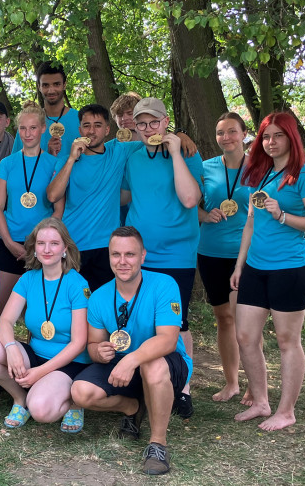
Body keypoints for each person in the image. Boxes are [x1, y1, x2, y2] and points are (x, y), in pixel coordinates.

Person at [230, 112, 305, 431]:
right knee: (245, 336)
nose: (271, 142)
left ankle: (286, 411)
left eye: (277, 136)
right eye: (266, 137)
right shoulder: (261, 175)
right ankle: (260, 402)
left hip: (290, 269)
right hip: (255, 268)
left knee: (287, 341)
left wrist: (282, 214)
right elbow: (250, 224)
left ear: (291, 138)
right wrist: (240, 266)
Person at [71, 227, 192, 476]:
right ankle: (133, 408)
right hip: (122, 368)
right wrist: (99, 352)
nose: (122, 261)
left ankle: (157, 444)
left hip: (166, 366)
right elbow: (93, 345)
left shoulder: (164, 284)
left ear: (143, 256)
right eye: (116, 254)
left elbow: (168, 340)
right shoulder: (98, 297)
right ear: (109, 256)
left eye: (130, 254)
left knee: (153, 365)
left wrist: (132, 360)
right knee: (80, 392)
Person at [121, 97, 203, 419]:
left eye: (153, 122)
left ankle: (183, 388)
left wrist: (176, 152)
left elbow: (188, 198)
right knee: (141, 319)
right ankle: (144, 380)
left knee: (178, 324)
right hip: (142, 254)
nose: (147, 129)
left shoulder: (187, 153)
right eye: (141, 123)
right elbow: (125, 195)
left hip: (178, 255)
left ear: (165, 121)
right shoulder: (133, 156)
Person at [0, 218, 90, 432]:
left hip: (68, 362)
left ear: (65, 248)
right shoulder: (28, 279)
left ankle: (74, 402)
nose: (47, 249)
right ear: (33, 248)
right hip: (35, 355)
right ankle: (20, 399)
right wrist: (11, 349)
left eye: (54, 243)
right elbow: (6, 321)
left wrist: (40, 373)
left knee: (42, 411)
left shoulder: (77, 284)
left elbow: (79, 343)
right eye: (41, 243)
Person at [47, 104, 142, 292]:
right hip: (73, 245)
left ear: (107, 129)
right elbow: (52, 195)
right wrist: (71, 159)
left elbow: (151, 140)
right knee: (73, 308)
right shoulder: (67, 159)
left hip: (106, 247)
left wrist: (180, 134)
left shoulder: (118, 151)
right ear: (80, 130)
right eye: (87, 125)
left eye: (98, 125)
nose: (92, 131)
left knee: (103, 308)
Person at [197, 112, 251, 402]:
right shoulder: (205, 168)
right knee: (223, 318)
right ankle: (232, 382)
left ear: (244, 133)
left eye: (232, 131)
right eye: (220, 133)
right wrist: (205, 214)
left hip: (245, 255)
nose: (226, 138)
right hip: (210, 252)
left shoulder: (259, 168)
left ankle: (255, 383)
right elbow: (188, 203)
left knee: (245, 321)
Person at [0, 101, 63, 317]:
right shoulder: (7, 163)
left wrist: (40, 244)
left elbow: (58, 210)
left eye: (33, 128)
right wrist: (8, 242)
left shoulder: (54, 163)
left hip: (42, 247)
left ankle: (34, 352)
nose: (27, 133)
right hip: (10, 243)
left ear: (42, 128)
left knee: (40, 313)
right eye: (22, 128)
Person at [13, 61, 79, 161]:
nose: (51, 90)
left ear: (64, 85)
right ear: (39, 87)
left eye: (56, 84)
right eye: (46, 85)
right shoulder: (27, 123)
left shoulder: (80, 120)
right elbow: (16, 162)